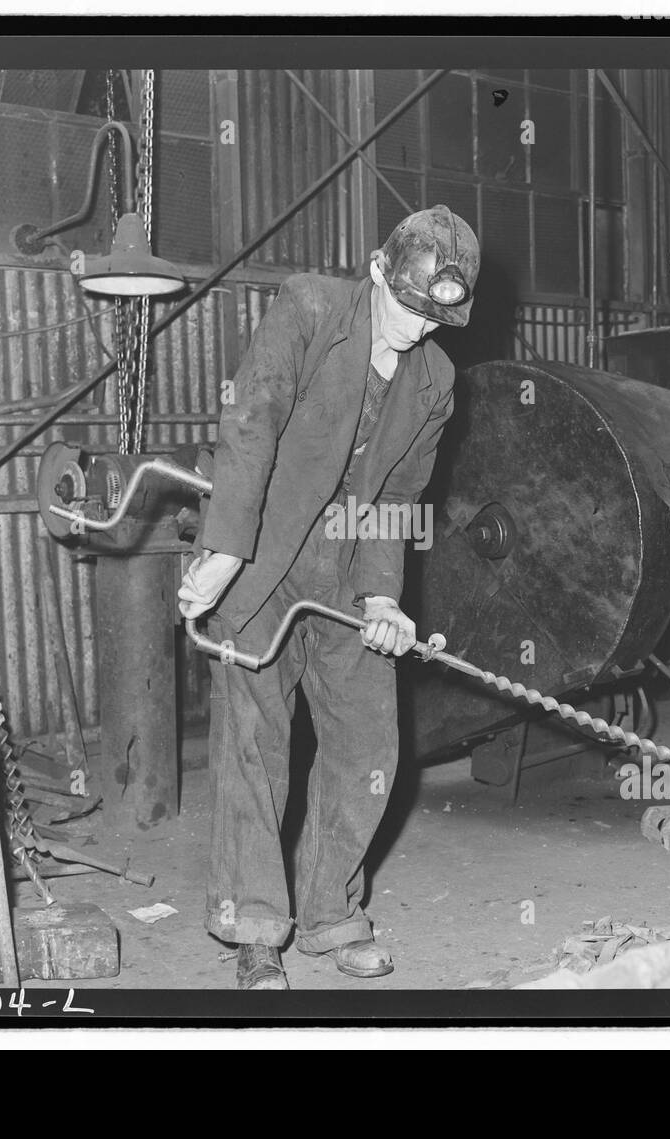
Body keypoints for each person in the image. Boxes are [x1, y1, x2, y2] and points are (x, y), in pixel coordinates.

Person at [178, 206, 480, 989]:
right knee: (256, 746)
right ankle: (254, 928)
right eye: (411, 310)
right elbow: (252, 422)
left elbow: (400, 494)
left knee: (370, 745)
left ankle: (329, 913)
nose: (419, 331)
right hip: (264, 557)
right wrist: (223, 549)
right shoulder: (309, 307)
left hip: (347, 574)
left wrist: (383, 596)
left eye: (437, 318)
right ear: (378, 272)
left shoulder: (437, 381)